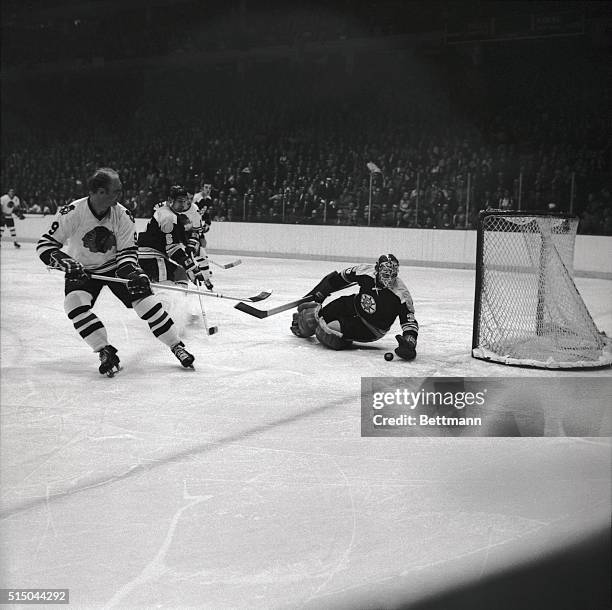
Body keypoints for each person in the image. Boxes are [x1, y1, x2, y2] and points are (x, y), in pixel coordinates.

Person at [36, 168, 195, 376]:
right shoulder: (73, 212)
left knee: (147, 304)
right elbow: (45, 245)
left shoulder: (123, 214)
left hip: (115, 267)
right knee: (74, 305)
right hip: (82, 270)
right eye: (116, 191)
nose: (120, 195)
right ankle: (104, 350)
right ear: (100, 192)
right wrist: (64, 261)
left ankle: (176, 346)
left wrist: (133, 273)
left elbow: (128, 252)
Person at [290, 254, 419, 359]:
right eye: (385, 275)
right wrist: (321, 292)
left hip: (372, 327)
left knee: (328, 331)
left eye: (393, 276)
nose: (389, 280)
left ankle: (344, 339)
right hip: (354, 305)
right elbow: (339, 278)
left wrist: (409, 342)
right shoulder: (365, 271)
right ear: (377, 269)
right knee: (315, 316)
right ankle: (303, 327)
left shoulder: (401, 294)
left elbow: (409, 321)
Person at [137, 185, 213, 290]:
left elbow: (189, 234)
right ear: (170, 200)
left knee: (180, 273)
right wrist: (191, 267)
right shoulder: (169, 217)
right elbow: (173, 250)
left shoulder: (173, 213)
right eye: (180, 201)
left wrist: (190, 243)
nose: (184, 205)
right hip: (150, 257)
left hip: (152, 253)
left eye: (185, 201)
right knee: (178, 277)